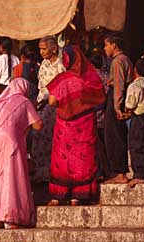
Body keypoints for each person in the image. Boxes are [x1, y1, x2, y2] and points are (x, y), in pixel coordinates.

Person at [0, 78, 43, 229]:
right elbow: (38, 125)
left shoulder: (0, 101)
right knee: (9, 176)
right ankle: (10, 217)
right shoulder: (24, 102)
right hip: (9, 140)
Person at [46, 45, 106, 206]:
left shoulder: (62, 79)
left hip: (64, 127)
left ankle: (60, 195)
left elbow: (52, 101)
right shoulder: (90, 79)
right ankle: (78, 196)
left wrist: (66, 102)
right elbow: (100, 98)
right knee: (83, 157)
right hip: (85, 125)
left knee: (63, 158)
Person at [30, 36, 66, 183]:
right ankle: (41, 172)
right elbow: (41, 86)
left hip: (59, 105)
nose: (41, 52)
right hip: (43, 105)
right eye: (40, 49)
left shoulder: (62, 63)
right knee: (39, 137)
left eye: (44, 49)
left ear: (54, 48)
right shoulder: (44, 64)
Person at [103, 33, 133, 184]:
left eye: (106, 45)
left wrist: (117, 107)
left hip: (116, 101)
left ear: (113, 45)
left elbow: (119, 86)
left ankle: (119, 173)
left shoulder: (118, 61)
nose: (105, 48)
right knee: (117, 136)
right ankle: (119, 171)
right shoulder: (124, 59)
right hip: (118, 100)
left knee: (113, 137)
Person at [125, 58, 144, 187]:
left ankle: (139, 175)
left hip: (138, 118)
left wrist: (126, 109)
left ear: (135, 70)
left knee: (137, 145)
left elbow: (130, 104)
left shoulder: (134, 86)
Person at [89, 51, 109, 180]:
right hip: (105, 116)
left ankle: (99, 172)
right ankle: (107, 172)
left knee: (95, 148)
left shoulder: (89, 78)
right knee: (105, 146)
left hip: (93, 116)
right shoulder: (107, 77)